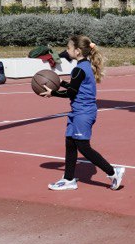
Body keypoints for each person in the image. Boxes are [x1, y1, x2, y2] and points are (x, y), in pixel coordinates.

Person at [42, 35, 125, 191]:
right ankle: (68, 179)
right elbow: (76, 87)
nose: (67, 51)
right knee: (70, 143)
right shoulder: (85, 66)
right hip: (79, 111)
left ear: (78, 51)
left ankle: (113, 171)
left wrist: (52, 93)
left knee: (83, 147)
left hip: (83, 113)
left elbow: (71, 93)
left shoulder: (78, 69)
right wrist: (62, 83)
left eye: (68, 48)